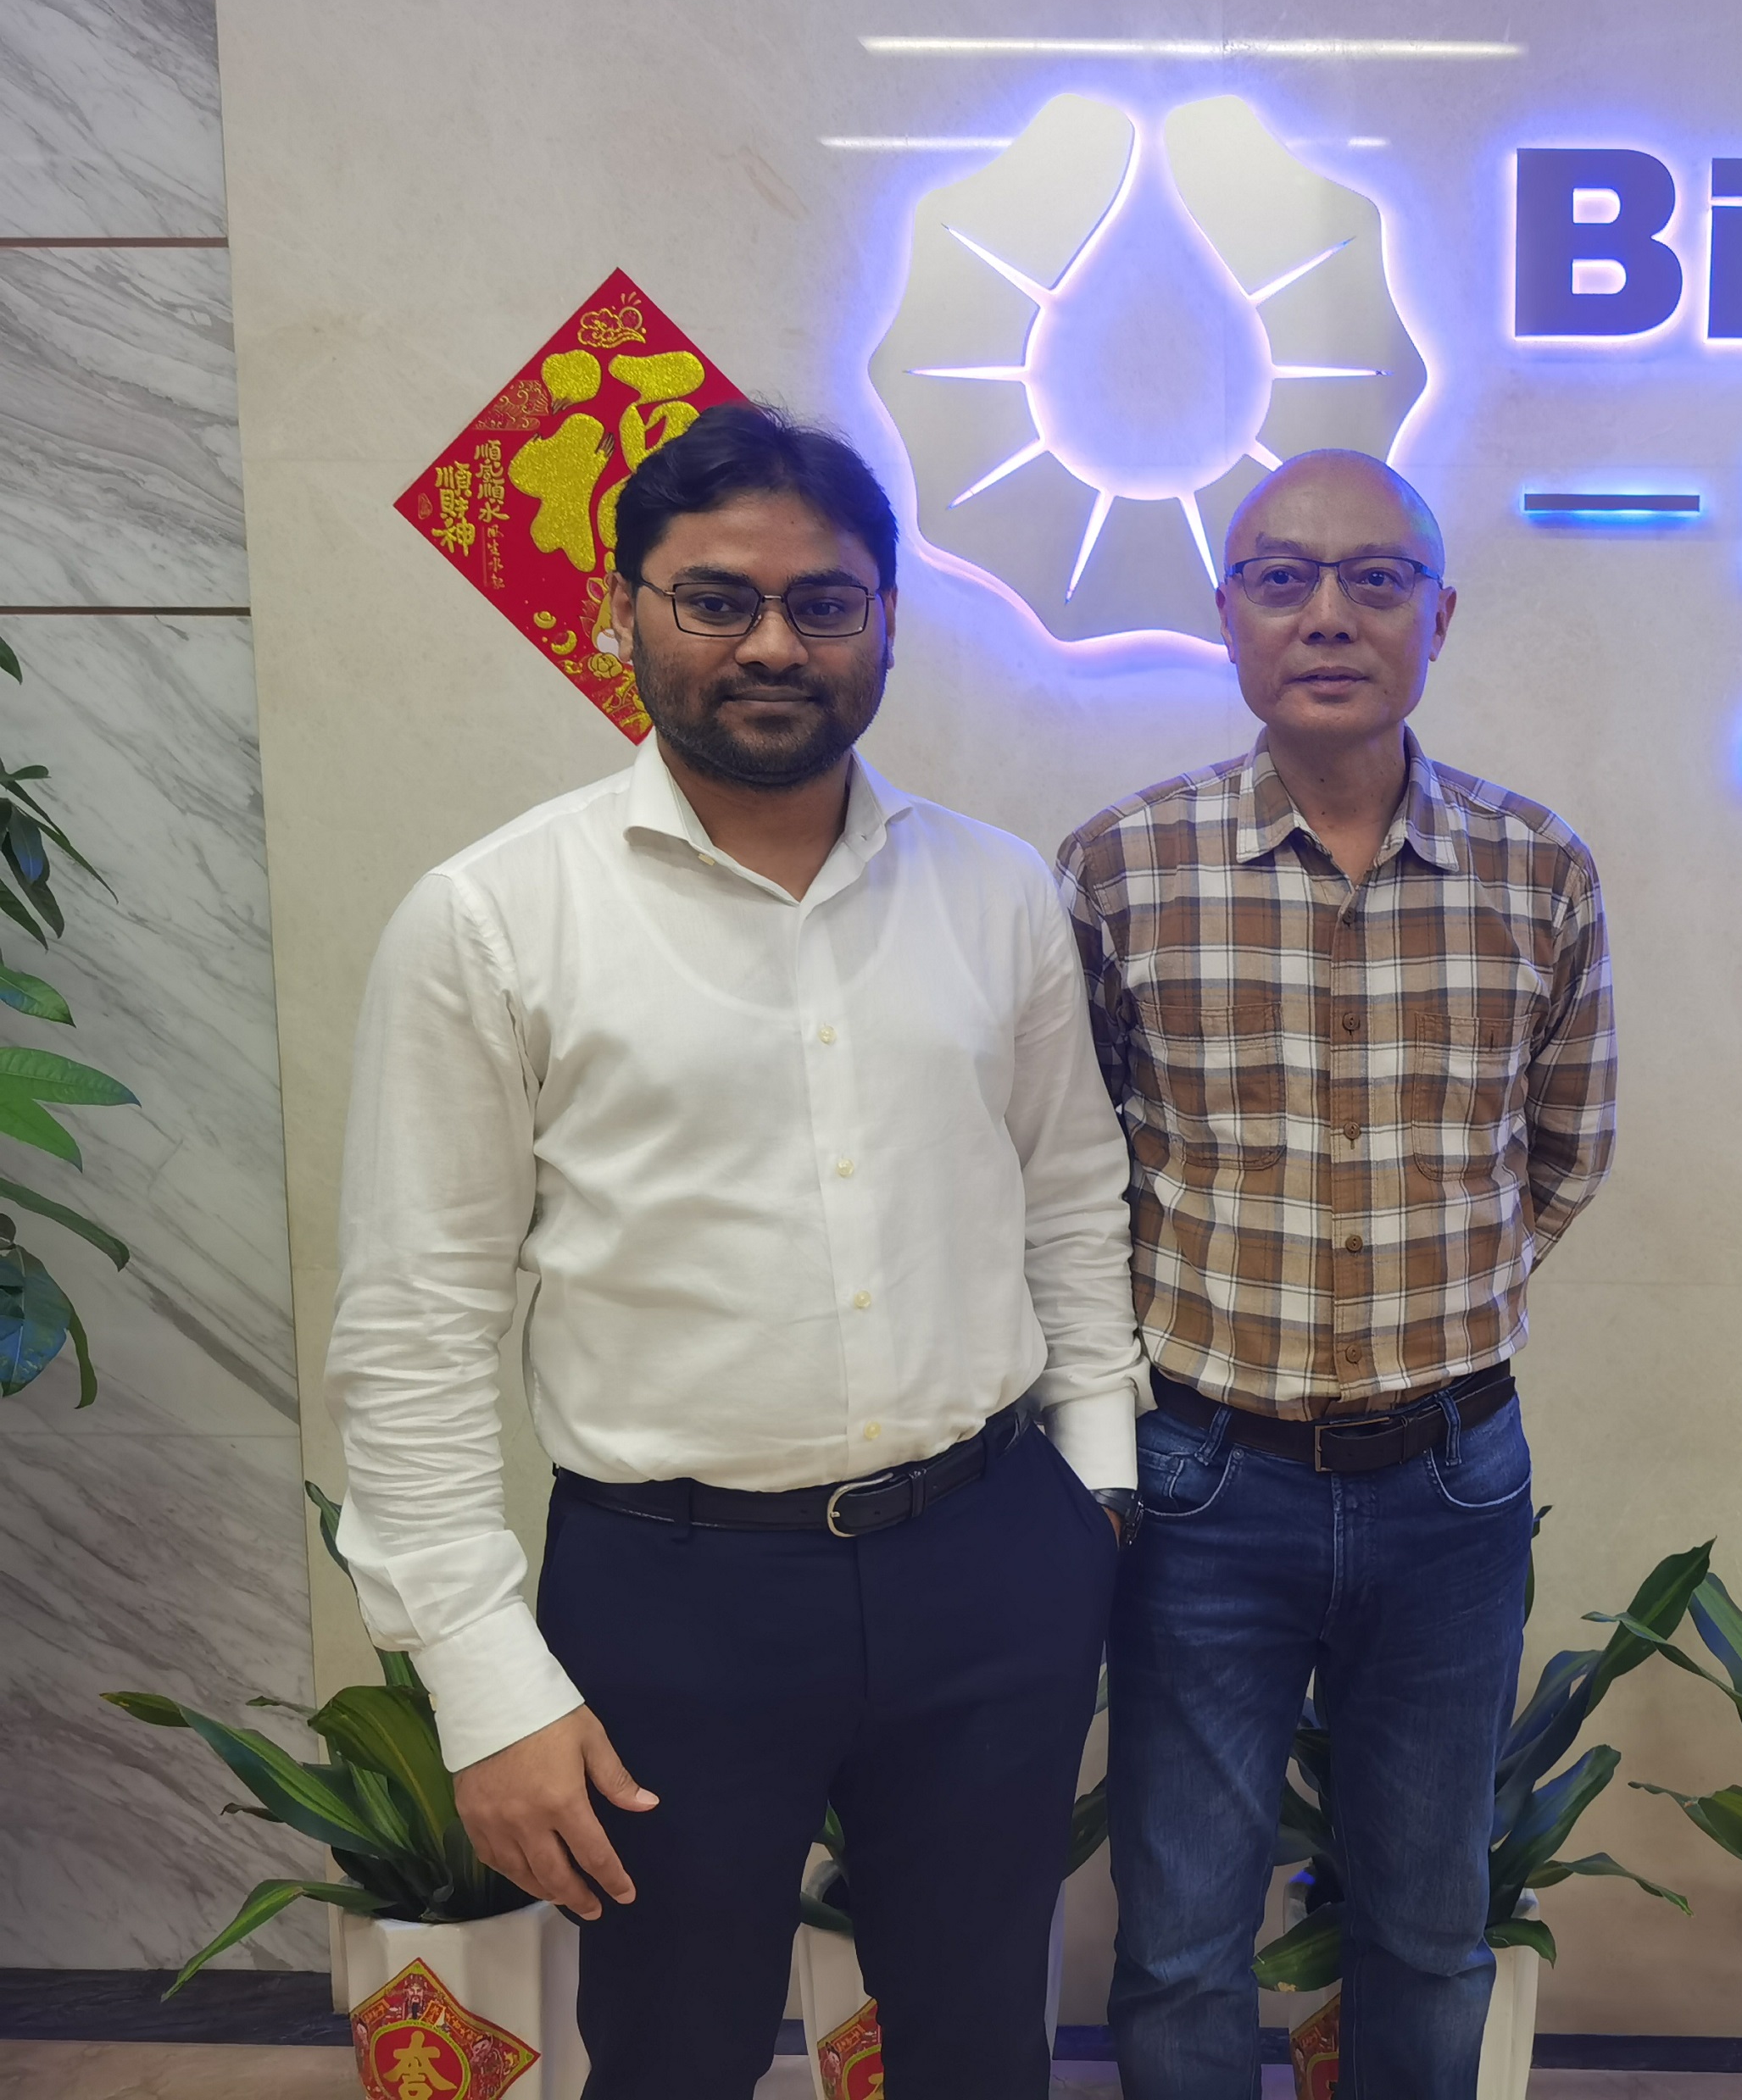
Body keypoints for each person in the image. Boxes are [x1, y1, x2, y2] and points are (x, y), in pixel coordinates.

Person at [324, 403, 1140, 2098]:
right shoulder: (492, 917)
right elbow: (414, 1325)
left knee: (983, 2047)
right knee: (672, 2055)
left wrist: (1097, 1496)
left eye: (822, 601)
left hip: (987, 1560)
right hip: (672, 1595)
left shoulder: (996, 891)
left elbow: (1069, 1198)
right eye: (716, 598)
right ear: (622, 611)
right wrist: (482, 1683)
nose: (773, 642)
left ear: (885, 621)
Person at [1057, 449, 1617, 2100]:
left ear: (1438, 617)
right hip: (1202, 1479)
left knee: (1430, 1924)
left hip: (1452, 1479)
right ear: (1226, 611)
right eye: (1283, 576)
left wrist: (1437, 1300)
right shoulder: (1120, 867)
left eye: (1377, 578)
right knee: (1180, 1937)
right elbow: (1070, 1170)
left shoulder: (1537, 868)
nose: (1328, 614)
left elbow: (1565, 1145)